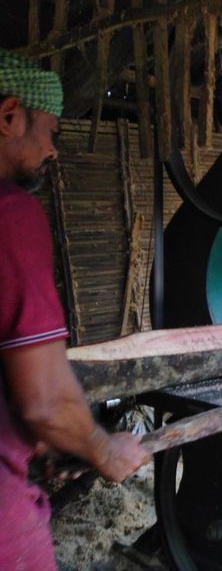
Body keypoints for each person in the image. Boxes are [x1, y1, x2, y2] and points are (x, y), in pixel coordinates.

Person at [0, 48, 149, 570]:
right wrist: (104, 450)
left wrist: (44, 442)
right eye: (51, 133)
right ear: (9, 116)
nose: (54, 151)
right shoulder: (11, 215)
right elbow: (42, 400)